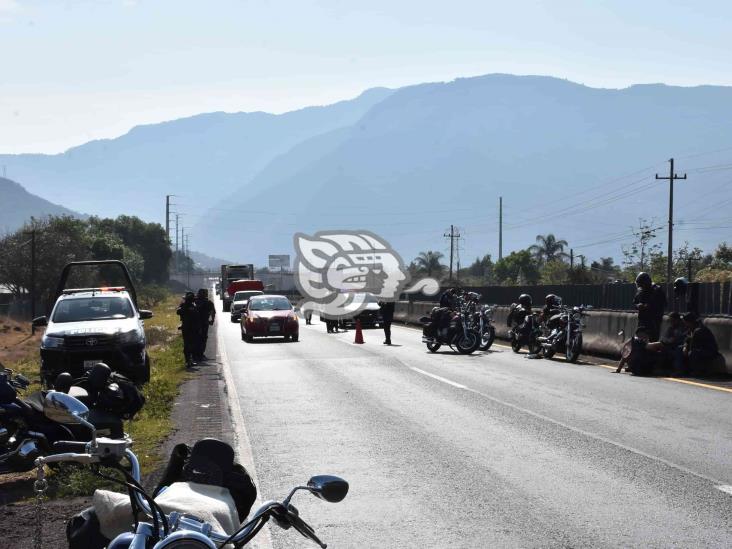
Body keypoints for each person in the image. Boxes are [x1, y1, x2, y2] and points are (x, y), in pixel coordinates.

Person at [633, 272, 666, 342]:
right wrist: (638, 306)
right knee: (640, 339)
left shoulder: (656, 290)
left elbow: (662, 304)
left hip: (653, 320)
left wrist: (648, 306)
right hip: (642, 319)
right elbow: (635, 302)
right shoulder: (640, 292)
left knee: (652, 339)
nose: (640, 287)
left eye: (642, 284)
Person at [177, 292, 200, 368]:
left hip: (189, 328)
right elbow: (178, 312)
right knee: (188, 345)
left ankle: (189, 360)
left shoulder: (189, 306)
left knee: (189, 344)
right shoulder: (189, 307)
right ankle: (188, 361)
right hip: (189, 328)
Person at [194, 288, 216, 361]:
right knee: (203, 338)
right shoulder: (208, 303)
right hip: (203, 323)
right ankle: (200, 354)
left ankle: (196, 354)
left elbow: (213, 312)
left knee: (197, 338)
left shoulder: (195, 302)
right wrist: (212, 320)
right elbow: (213, 312)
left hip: (195, 324)